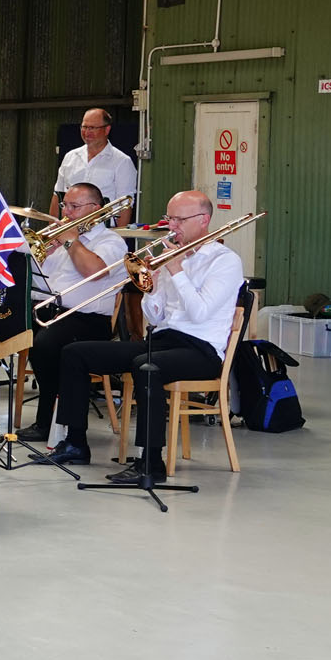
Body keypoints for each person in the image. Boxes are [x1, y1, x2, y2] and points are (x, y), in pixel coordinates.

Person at [45, 190, 244, 487]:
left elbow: (200, 313)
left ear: (203, 220)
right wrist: (151, 287)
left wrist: (176, 272)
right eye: (169, 218)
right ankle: (75, 444)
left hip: (201, 350)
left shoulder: (224, 261)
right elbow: (157, 316)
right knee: (75, 353)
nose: (171, 225)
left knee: (145, 365)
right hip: (164, 339)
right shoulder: (173, 255)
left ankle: (151, 463)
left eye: (179, 219)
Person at [18, 182, 129, 442]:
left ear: (95, 209)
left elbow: (93, 271)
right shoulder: (62, 238)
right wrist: (45, 252)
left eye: (74, 206)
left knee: (44, 344)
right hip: (50, 312)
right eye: (65, 204)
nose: (66, 211)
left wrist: (71, 242)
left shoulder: (111, 242)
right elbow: (37, 278)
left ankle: (48, 419)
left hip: (88, 321)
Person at [51, 108, 138, 219]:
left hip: (103, 231)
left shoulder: (122, 162)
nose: (87, 132)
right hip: (69, 228)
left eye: (92, 128)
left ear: (107, 130)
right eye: (84, 127)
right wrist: (54, 231)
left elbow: (125, 204)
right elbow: (57, 196)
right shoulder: (70, 157)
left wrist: (119, 236)